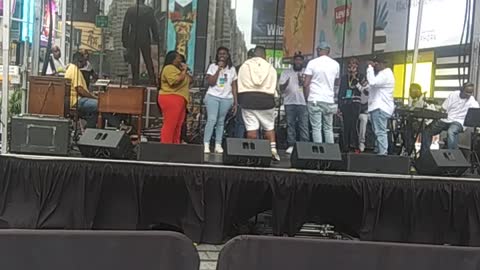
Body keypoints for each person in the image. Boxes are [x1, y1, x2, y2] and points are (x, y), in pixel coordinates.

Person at [237, 45, 280, 161]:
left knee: (251, 129)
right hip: (266, 101)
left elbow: (239, 84)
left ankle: (253, 152)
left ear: (254, 54)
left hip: (248, 100)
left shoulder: (244, 66)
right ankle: (273, 150)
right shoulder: (271, 68)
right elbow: (273, 85)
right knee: (269, 127)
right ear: (264, 55)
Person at [420, 82, 479, 154]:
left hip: (459, 122)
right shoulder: (453, 95)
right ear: (461, 90)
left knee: (451, 132)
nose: (469, 95)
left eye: (470, 92)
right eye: (467, 92)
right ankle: (425, 155)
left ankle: (451, 156)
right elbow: (443, 108)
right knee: (427, 131)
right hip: (446, 119)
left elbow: (477, 112)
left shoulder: (472, 101)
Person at [303, 42, 340, 144]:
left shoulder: (312, 63)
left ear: (319, 50)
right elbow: (336, 82)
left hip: (315, 98)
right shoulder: (336, 64)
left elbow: (306, 84)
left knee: (316, 128)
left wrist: (307, 98)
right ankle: (331, 152)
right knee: (328, 127)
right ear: (329, 51)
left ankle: (319, 152)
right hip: (329, 100)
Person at [203, 47, 238, 153]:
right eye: (220, 54)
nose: (222, 56)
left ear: (228, 56)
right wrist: (219, 69)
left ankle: (218, 144)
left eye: (224, 54)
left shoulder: (232, 69)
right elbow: (211, 82)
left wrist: (235, 103)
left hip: (226, 98)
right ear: (217, 56)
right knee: (212, 119)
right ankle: (206, 143)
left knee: (221, 121)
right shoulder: (212, 67)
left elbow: (234, 86)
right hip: (213, 96)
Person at [158, 51, 191, 144]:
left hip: (180, 99)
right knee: (170, 124)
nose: (180, 60)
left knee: (178, 124)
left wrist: (185, 71)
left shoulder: (178, 70)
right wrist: (184, 71)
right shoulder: (169, 68)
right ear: (172, 59)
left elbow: (190, 80)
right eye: (178, 58)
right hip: (171, 97)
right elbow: (175, 81)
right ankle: (166, 144)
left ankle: (175, 144)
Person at [279, 51, 309, 154]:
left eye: (300, 60)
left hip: (303, 102)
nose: (298, 61)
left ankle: (304, 146)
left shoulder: (306, 72)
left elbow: (308, 87)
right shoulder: (286, 72)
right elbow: (280, 88)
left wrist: (302, 82)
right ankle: (291, 144)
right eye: (296, 59)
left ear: (302, 61)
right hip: (289, 102)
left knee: (303, 125)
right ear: (293, 61)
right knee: (290, 124)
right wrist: (285, 84)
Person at [122, 0, 158, 85]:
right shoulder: (149, 10)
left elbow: (125, 27)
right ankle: (152, 80)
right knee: (148, 59)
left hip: (133, 37)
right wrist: (156, 37)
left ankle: (135, 81)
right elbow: (154, 25)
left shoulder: (130, 10)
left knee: (135, 61)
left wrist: (125, 41)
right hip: (145, 36)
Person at [366, 55, 395, 155]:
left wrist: (369, 68)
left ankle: (382, 154)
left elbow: (373, 82)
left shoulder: (385, 74)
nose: (374, 67)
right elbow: (373, 87)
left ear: (381, 64)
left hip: (380, 107)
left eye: (375, 64)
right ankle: (380, 151)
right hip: (380, 107)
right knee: (378, 131)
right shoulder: (384, 74)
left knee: (380, 132)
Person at [338, 58, 367, 152]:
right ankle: (345, 145)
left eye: (354, 65)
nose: (352, 67)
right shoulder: (344, 77)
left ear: (357, 66)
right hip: (346, 103)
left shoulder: (361, 76)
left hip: (356, 103)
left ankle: (354, 145)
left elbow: (366, 91)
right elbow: (340, 92)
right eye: (350, 65)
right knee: (346, 125)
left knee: (353, 124)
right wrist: (339, 106)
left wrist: (357, 82)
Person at [64, 52, 98, 128]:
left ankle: (89, 130)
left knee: (95, 112)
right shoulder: (74, 70)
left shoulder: (71, 68)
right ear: (78, 61)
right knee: (101, 104)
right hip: (77, 101)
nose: (85, 64)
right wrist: (93, 97)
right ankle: (118, 125)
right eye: (83, 61)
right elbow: (80, 90)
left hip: (77, 100)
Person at [233, 48, 256, 138]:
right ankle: (238, 144)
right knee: (241, 123)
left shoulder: (260, 69)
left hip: (255, 100)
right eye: (251, 56)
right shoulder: (239, 68)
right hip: (242, 99)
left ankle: (253, 146)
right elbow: (235, 85)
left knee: (253, 124)